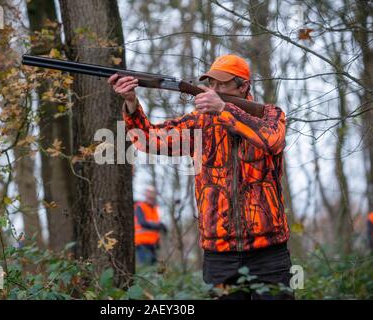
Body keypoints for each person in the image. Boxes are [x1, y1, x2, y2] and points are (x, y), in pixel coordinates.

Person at [108, 54, 293, 299]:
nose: (213, 89)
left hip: (269, 252)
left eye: (222, 84)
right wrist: (131, 102)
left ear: (244, 85)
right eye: (211, 83)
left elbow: (272, 140)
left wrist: (224, 109)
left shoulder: (270, 115)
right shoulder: (199, 124)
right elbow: (147, 139)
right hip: (219, 255)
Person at [134, 186, 167, 265]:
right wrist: (159, 225)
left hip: (153, 244)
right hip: (142, 243)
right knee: (146, 267)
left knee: (153, 268)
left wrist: (162, 228)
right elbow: (143, 223)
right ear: (146, 195)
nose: (151, 197)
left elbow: (155, 226)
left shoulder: (155, 209)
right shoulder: (140, 206)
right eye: (149, 195)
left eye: (153, 195)